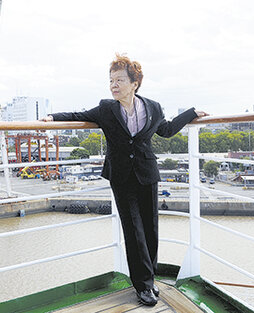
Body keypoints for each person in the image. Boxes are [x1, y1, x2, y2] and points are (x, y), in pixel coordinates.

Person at [40, 54, 208, 306]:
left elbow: (167, 130)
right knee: (133, 231)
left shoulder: (153, 107)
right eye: (111, 81)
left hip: (147, 173)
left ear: (134, 83)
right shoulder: (106, 108)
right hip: (121, 176)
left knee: (151, 229)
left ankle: (149, 279)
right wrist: (52, 118)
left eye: (119, 80)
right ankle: (142, 286)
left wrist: (191, 113)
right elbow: (78, 113)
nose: (114, 85)